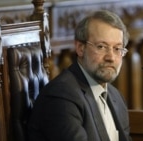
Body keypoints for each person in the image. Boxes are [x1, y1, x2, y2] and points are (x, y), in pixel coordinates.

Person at [27, 10, 131, 141]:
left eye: (117, 49)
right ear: (80, 48)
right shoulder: (62, 96)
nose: (111, 57)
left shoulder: (116, 97)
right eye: (101, 47)